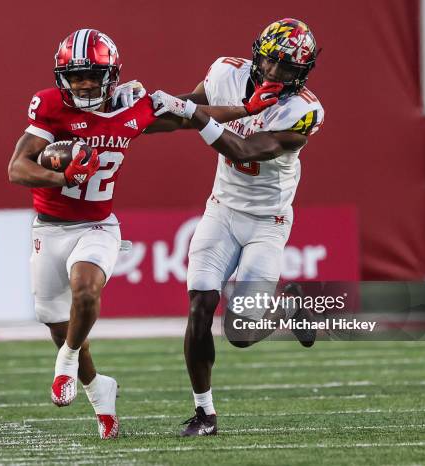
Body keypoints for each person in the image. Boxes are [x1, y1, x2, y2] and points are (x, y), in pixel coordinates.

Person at [7, 28, 276, 439]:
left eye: (92, 75)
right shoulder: (50, 105)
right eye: (76, 75)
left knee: (85, 289)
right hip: (49, 228)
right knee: (58, 322)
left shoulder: (133, 109)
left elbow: (189, 117)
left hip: (98, 225)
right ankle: (100, 392)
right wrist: (58, 174)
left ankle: (65, 363)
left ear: (111, 74)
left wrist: (243, 109)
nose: (83, 83)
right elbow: (17, 168)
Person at [149, 18, 325, 436]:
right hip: (223, 210)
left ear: (302, 72)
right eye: (272, 62)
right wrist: (127, 121)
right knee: (199, 307)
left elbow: (244, 147)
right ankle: (204, 413)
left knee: (242, 333)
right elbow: (184, 111)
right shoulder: (225, 73)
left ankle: (287, 308)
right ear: (257, 54)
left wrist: (194, 115)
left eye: (288, 69)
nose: (277, 73)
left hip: (268, 221)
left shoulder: (304, 110)